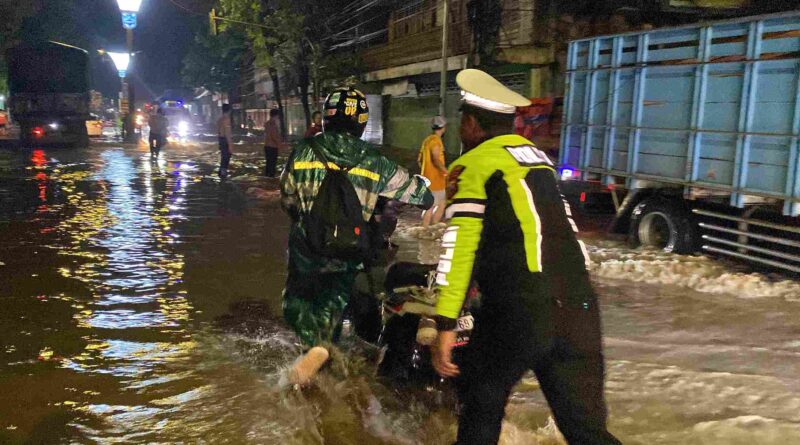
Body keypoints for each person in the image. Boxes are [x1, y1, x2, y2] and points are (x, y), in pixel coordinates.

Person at [431, 69, 621, 445]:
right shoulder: (538, 159)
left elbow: (460, 246)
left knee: (480, 401)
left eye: (461, 123)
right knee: (586, 431)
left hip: (520, 308)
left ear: (471, 123)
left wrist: (445, 323)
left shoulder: (473, 164)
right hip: (580, 306)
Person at [280, 87, 433, 382]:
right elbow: (423, 197)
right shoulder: (375, 161)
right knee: (335, 302)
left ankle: (313, 349)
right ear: (361, 124)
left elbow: (287, 199)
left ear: (326, 118)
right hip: (348, 250)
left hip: (306, 249)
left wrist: (304, 220)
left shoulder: (303, 151)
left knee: (295, 302)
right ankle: (325, 354)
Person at [418, 116, 448, 227]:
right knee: (441, 204)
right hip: (436, 180)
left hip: (425, 179)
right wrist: (446, 172)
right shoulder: (436, 141)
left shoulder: (427, 140)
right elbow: (436, 159)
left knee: (430, 205)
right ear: (443, 127)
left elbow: (420, 160)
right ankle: (433, 225)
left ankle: (425, 228)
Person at [264, 109, 288, 177]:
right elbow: (274, 136)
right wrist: (280, 145)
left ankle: (267, 177)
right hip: (272, 146)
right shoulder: (273, 124)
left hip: (267, 146)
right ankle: (271, 177)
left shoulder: (267, 123)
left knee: (268, 163)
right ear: (276, 115)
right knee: (272, 163)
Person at [217, 104, 233, 179]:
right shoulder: (227, 119)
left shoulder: (220, 119)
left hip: (221, 139)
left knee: (223, 156)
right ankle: (223, 173)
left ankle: (221, 172)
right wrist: (230, 145)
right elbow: (227, 133)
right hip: (225, 139)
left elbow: (218, 131)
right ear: (229, 110)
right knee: (226, 157)